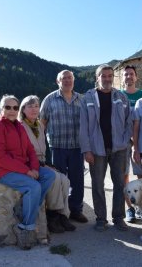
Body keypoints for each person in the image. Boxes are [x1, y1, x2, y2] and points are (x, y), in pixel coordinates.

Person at [0, 95, 56, 250]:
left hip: (23, 167)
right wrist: (27, 171)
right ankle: (25, 228)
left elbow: (30, 150)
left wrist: (33, 168)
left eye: (15, 107)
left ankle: (27, 208)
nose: (12, 110)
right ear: (1, 109)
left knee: (50, 175)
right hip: (4, 171)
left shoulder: (19, 126)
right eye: (8, 107)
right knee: (34, 187)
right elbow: (0, 158)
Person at [79, 64, 132, 232]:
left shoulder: (121, 97)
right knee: (97, 185)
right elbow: (83, 126)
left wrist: (124, 141)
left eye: (110, 76)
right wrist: (87, 150)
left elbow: (129, 121)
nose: (107, 79)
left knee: (119, 184)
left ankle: (118, 218)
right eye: (104, 76)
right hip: (96, 149)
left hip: (119, 149)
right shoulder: (87, 98)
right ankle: (101, 218)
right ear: (97, 78)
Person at [18, 95, 76, 233]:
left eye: (36, 106)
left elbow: (45, 148)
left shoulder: (39, 125)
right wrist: (39, 164)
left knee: (65, 180)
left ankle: (63, 215)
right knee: (55, 180)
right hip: (30, 163)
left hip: (42, 162)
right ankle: (52, 217)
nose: (34, 109)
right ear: (23, 109)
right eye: (30, 106)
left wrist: (47, 163)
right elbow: (22, 152)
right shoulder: (20, 126)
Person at [40, 70, 88, 224]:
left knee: (77, 180)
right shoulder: (49, 99)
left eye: (70, 78)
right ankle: (60, 213)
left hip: (77, 146)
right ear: (58, 81)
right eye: (64, 78)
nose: (67, 80)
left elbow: (88, 124)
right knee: (59, 181)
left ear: (73, 80)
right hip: (57, 146)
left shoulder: (82, 99)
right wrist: (41, 146)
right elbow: (42, 123)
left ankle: (76, 210)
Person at [120, 65, 142, 223]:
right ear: (122, 78)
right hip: (123, 143)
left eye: (131, 74)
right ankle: (130, 208)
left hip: (140, 142)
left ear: (136, 77)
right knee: (124, 176)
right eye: (126, 74)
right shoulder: (117, 95)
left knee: (140, 176)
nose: (129, 77)